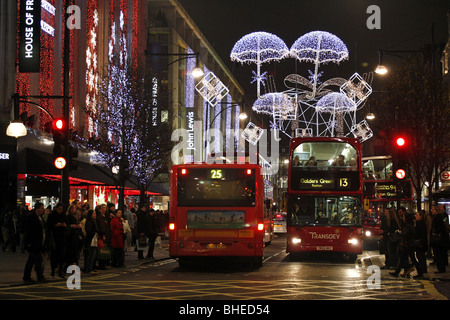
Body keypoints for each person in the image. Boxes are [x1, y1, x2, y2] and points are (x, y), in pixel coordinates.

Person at [390, 213, 423, 278]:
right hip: (408, 244)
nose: (403, 218)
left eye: (404, 217)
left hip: (408, 244)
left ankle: (419, 272)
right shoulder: (410, 225)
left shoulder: (408, 226)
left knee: (408, 259)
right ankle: (397, 272)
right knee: (404, 259)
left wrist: (398, 233)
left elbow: (405, 234)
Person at [23, 202, 47, 283]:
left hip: (40, 242)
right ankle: (34, 276)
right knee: (34, 260)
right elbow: (28, 231)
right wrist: (29, 242)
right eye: (42, 208)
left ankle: (36, 276)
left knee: (35, 260)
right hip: (34, 243)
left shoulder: (40, 217)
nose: (43, 209)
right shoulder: (31, 217)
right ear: (37, 209)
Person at [46, 203, 67, 278]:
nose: (60, 211)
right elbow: (48, 226)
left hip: (62, 237)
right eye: (59, 209)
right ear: (56, 208)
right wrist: (56, 225)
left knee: (61, 255)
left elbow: (66, 225)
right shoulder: (52, 216)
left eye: (61, 209)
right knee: (54, 255)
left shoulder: (63, 215)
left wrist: (63, 225)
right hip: (54, 237)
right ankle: (53, 270)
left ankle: (60, 271)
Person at [430, 205, 449, 273]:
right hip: (440, 239)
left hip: (439, 239)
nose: (432, 211)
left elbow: (441, 226)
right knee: (439, 254)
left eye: (433, 209)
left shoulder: (439, 217)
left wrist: (435, 232)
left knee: (440, 254)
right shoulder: (437, 216)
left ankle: (441, 268)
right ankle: (441, 267)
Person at [65, 204, 83, 271]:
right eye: (72, 208)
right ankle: (74, 268)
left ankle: (72, 268)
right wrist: (76, 226)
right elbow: (68, 225)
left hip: (76, 236)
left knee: (74, 253)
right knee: (72, 253)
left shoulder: (75, 216)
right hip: (71, 237)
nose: (73, 209)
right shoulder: (68, 216)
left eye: (74, 208)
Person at [84, 209, 98, 273]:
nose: (95, 215)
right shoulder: (89, 222)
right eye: (93, 213)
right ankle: (88, 268)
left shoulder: (94, 221)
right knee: (90, 255)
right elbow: (89, 231)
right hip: (90, 240)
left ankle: (91, 267)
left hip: (93, 239)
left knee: (93, 255)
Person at [95, 204, 109, 269]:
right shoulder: (99, 217)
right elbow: (101, 227)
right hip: (101, 235)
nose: (104, 209)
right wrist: (103, 234)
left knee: (103, 249)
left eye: (105, 208)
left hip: (104, 234)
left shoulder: (104, 216)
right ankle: (101, 264)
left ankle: (103, 264)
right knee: (101, 249)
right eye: (103, 208)